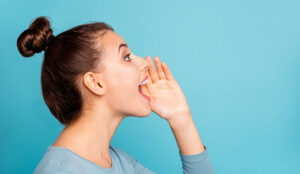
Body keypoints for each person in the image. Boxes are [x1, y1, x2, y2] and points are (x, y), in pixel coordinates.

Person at [17, 16, 215, 174]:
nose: (144, 64)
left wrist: (182, 120)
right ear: (95, 83)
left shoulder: (117, 162)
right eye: (127, 57)